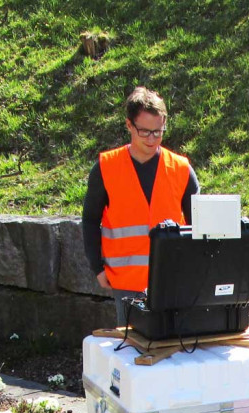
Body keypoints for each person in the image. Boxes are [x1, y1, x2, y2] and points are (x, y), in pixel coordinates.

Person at [81, 86, 200, 326]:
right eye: (145, 132)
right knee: (131, 352)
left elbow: (199, 225)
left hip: (172, 280)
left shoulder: (180, 168)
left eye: (158, 131)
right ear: (129, 125)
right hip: (125, 281)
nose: (152, 139)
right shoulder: (106, 168)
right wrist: (97, 267)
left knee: (174, 351)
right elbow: (90, 220)